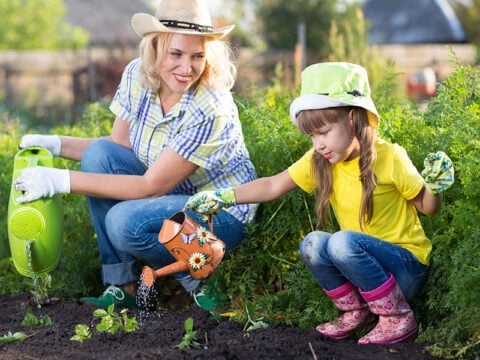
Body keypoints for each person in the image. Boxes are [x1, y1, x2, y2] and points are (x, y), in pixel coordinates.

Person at [185, 62, 454, 344]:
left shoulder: (389, 157)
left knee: (341, 242)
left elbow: (428, 207)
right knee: (312, 242)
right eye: (312, 135)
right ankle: (356, 311)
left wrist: (435, 187)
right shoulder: (321, 161)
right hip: (365, 270)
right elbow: (273, 185)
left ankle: (398, 318)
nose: (318, 144)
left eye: (323, 132)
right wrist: (225, 196)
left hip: (406, 269)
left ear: (352, 118)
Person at [13, 0, 258, 311]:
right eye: (176, 54)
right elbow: (117, 147)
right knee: (100, 155)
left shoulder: (210, 107)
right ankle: (123, 285)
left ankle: (201, 274)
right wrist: (55, 144)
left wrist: (60, 181)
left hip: (219, 211)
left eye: (198, 56)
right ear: (155, 48)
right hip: (171, 192)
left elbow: (150, 187)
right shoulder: (137, 76)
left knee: (124, 223)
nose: (187, 69)